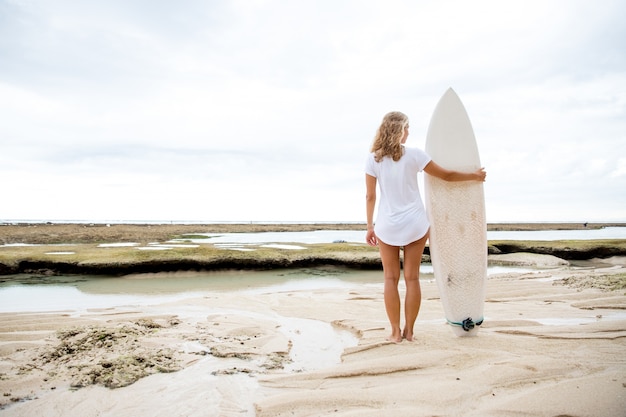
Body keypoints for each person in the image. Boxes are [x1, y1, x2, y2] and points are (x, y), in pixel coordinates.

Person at [365, 111, 486, 343]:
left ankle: (394, 333)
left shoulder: (373, 159)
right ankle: (409, 331)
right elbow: (447, 176)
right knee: (412, 279)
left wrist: (370, 226)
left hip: (387, 225)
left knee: (390, 279)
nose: (409, 132)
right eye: (407, 128)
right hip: (415, 224)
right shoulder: (415, 156)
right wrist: (474, 176)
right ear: (400, 130)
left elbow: (370, 196)